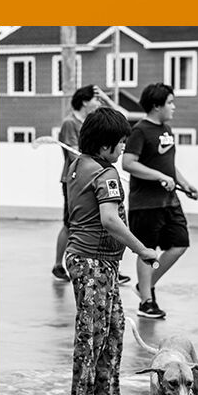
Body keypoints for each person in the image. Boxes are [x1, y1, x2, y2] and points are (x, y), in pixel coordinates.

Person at [63, 107, 162, 395]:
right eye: (120, 143)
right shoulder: (106, 174)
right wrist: (143, 249)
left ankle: (108, 394)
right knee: (91, 332)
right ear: (105, 145)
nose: (123, 148)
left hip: (95, 261)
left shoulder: (77, 165)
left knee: (114, 326)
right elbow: (109, 220)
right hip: (92, 261)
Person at [122, 83, 196, 319]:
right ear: (156, 106)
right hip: (146, 203)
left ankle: (145, 287)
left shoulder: (167, 130)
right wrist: (160, 177)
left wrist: (183, 182)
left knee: (180, 243)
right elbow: (129, 163)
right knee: (148, 251)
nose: (173, 107)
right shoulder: (140, 131)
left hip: (169, 201)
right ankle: (146, 301)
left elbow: (167, 163)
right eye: (170, 102)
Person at [54, 85, 128, 284]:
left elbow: (123, 116)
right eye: (96, 99)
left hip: (94, 177)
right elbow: (72, 153)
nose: (99, 103)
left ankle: (108, 262)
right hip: (78, 179)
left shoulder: (92, 122)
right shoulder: (70, 122)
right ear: (85, 101)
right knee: (71, 223)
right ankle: (58, 264)